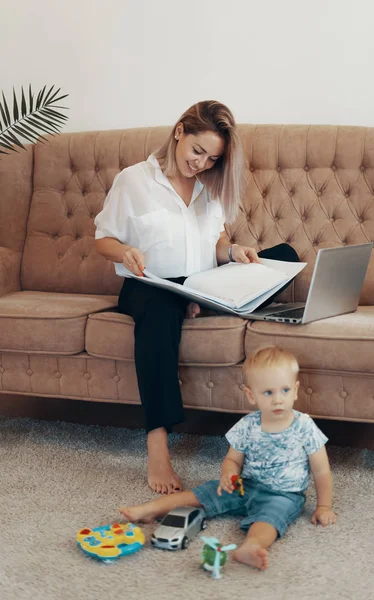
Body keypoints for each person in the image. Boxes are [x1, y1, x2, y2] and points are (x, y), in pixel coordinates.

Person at [94, 101, 299, 495]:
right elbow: (102, 238)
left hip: (202, 280)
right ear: (179, 132)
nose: (201, 163)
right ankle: (157, 444)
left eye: (212, 157)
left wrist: (234, 252)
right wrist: (124, 253)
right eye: (197, 151)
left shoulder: (211, 185)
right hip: (150, 284)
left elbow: (217, 241)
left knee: (284, 256)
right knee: (159, 313)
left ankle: (202, 301)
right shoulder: (133, 181)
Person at [120, 346, 336, 571]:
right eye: (268, 393)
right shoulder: (247, 425)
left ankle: (251, 546)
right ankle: (150, 509)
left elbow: (321, 470)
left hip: (284, 494)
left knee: (269, 519)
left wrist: (323, 506)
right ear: (251, 395)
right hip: (246, 486)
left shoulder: (305, 426)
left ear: (296, 390)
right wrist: (229, 474)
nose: (278, 400)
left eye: (284, 390)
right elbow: (233, 460)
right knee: (203, 492)